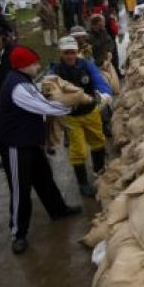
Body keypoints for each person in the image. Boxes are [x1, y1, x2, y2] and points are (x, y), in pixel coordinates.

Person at [0, 45, 82, 254]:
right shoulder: (17, 86)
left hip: (29, 140)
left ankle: (57, 210)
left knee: (44, 177)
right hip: (14, 144)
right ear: (24, 66)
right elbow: (44, 106)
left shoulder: (23, 80)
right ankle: (18, 233)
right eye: (34, 63)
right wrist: (74, 105)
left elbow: (41, 99)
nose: (38, 66)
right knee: (20, 188)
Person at [49, 36, 112, 197]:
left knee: (98, 140)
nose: (70, 56)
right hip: (71, 117)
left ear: (77, 52)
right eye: (66, 53)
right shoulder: (55, 71)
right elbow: (50, 90)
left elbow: (98, 80)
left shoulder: (86, 65)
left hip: (91, 111)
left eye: (73, 52)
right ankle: (83, 183)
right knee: (78, 150)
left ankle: (99, 170)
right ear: (61, 53)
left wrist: (104, 93)